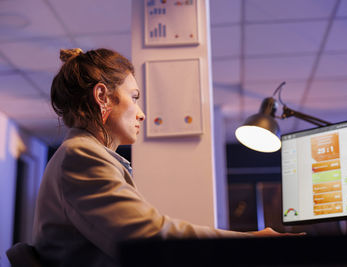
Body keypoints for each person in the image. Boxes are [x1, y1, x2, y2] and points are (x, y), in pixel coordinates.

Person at [32, 48, 302, 267]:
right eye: (134, 97)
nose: (141, 114)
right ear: (102, 96)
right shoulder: (82, 156)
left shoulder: (82, 154)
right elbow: (150, 238)